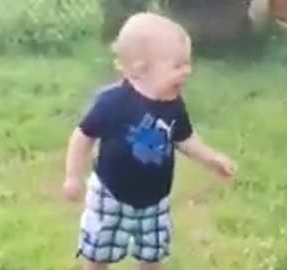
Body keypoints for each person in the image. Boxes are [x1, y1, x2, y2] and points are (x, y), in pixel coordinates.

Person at [63, 12, 236, 270]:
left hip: (155, 200)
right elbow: (83, 136)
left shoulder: (174, 105)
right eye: (178, 65)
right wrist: (73, 176)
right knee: (99, 251)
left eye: (188, 63)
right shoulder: (112, 102)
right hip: (110, 195)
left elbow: (184, 138)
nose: (188, 71)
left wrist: (211, 158)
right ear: (139, 67)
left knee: (152, 253)